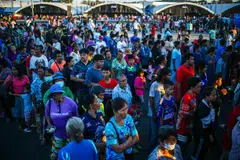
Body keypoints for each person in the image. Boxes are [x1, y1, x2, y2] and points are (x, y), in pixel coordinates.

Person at [45, 84, 79, 160]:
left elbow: (76, 116)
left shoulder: (70, 102)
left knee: (70, 154)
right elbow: (47, 115)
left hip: (70, 134)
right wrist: (49, 124)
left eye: (59, 94)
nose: (57, 96)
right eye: (54, 95)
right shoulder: (49, 103)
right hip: (57, 134)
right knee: (55, 154)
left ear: (61, 93)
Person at [176, 76, 201, 155]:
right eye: (198, 87)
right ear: (192, 87)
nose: (200, 88)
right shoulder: (187, 98)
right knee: (181, 150)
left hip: (188, 127)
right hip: (183, 128)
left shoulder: (193, 95)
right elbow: (183, 114)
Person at [192, 86, 217, 160]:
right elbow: (209, 122)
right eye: (213, 95)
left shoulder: (207, 103)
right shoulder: (203, 107)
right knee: (198, 152)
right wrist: (212, 111)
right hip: (201, 134)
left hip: (203, 133)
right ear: (207, 96)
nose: (215, 97)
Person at [4, 64, 30, 130]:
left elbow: (28, 87)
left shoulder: (25, 77)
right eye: (12, 69)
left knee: (24, 111)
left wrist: (26, 90)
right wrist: (8, 81)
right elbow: (4, 86)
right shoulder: (11, 77)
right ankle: (19, 124)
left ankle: (24, 123)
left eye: (15, 69)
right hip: (15, 96)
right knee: (17, 111)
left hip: (24, 97)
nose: (13, 71)